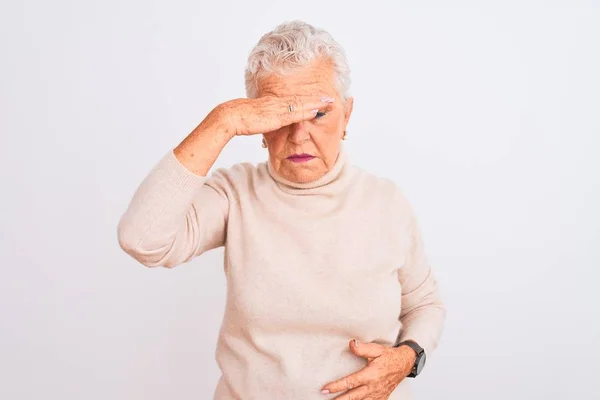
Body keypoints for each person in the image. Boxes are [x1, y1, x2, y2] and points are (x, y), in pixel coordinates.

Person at [117, 20, 446, 400]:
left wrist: (408, 357)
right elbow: (141, 238)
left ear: (347, 115)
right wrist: (224, 120)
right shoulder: (234, 193)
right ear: (257, 122)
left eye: (318, 113)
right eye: (281, 115)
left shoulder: (386, 202)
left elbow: (425, 304)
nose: (298, 134)